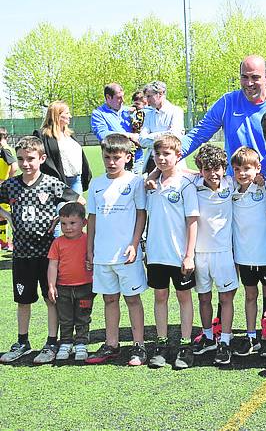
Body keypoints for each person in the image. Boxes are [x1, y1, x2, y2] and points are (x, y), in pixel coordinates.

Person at [0, 136, 82, 364]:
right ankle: (22, 341)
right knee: (23, 300)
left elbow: (78, 201)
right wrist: (6, 215)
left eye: (31, 159)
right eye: (21, 159)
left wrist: (60, 218)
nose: (26, 164)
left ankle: (51, 342)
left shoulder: (51, 183)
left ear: (42, 158)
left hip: (47, 256)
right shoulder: (11, 184)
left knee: (51, 298)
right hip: (21, 255)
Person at [85, 134, 148, 366]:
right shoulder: (96, 184)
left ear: (128, 157)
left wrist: (134, 243)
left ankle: (139, 346)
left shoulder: (134, 182)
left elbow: (141, 214)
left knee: (133, 300)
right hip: (102, 255)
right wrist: (89, 249)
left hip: (126, 255)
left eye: (116, 157)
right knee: (109, 300)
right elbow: (92, 218)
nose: (111, 162)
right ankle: (112, 344)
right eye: (107, 157)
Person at [180, 55, 266, 174]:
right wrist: (171, 155)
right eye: (244, 77)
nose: (249, 83)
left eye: (255, 77)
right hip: (237, 182)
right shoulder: (227, 103)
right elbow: (198, 135)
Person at [145, 134, 198, 370]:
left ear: (178, 156)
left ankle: (185, 345)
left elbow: (192, 222)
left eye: (167, 154)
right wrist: (151, 176)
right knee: (160, 297)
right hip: (156, 254)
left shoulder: (186, 184)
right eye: (158, 154)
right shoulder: (150, 184)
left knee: (184, 297)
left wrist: (189, 255)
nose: (161, 158)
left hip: (179, 255)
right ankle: (162, 343)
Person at [190, 144, 238, 365]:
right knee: (204, 297)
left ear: (224, 167)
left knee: (226, 297)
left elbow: (256, 174)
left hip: (224, 252)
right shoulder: (193, 185)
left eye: (217, 168)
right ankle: (208, 336)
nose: (212, 174)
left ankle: (226, 341)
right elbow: (173, 170)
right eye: (207, 169)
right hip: (200, 253)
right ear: (200, 170)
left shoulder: (232, 182)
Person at [230, 146, 266, 358]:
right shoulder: (231, 191)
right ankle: (251, 336)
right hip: (244, 257)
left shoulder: (264, 188)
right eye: (238, 169)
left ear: (258, 168)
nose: (242, 173)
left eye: (247, 169)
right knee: (250, 295)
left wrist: (264, 180)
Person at [47, 202, 94, 362]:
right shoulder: (57, 242)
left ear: (84, 223)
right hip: (63, 288)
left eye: (73, 223)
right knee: (65, 318)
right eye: (64, 224)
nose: (68, 227)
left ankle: (81, 343)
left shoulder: (89, 240)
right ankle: (66, 343)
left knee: (83, 317)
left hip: (85, 287)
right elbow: (53, 265)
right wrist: (52, 286)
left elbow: (94, 259)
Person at [35, 100, 91, 194]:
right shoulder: (43, 135)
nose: (70, 116)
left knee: (76, 208)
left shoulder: (70, 135)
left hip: (76, 181)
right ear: (57, 115)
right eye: (67, 113)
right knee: (60, 208)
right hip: (56, 183)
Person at [91, 83, 142, 171]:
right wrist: (129, 135)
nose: (123, 100)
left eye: (123, 96)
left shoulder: (129, 110)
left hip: (138, 160)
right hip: (116, 162)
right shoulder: (98, 114)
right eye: (119, 98)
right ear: (108, 97)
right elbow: (103, 135)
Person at [138, 81, 185, 174]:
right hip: (151, 164)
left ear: (160, 94)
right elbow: (142, 140)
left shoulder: (176, 111)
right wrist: (165, 134)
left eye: (149, 96)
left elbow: (175, 137)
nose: (147, 100)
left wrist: (151, 136)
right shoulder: (148, 114)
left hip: (172, 164)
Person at [0, 127, 18, 251]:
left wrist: (8, 180)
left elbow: (15, 166)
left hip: (2, 185)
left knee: (4, 214)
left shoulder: (5, 150)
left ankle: (5, 242)